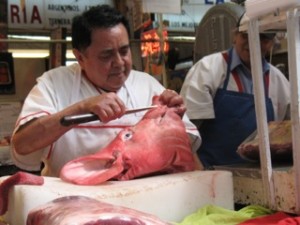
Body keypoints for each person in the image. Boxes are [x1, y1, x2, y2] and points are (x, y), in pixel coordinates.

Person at [11, 5, 201, 177]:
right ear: (80, 57)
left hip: (139, 198)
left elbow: (187, 154)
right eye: (106, 55)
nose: (119, 62)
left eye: (124, 51)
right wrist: (81, 108)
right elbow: (22, 144)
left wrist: (173, 120)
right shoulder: (54, 84)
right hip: (72, 201)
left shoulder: (147, 85)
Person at [180, 13, 290, 168]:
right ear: (235, 36)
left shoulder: (280, 82)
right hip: (212, 176)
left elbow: (288, 135)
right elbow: (186, 134)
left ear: (271, 43)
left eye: (263, 38)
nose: (254, 42)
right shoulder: (207, 70)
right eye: (247, 35)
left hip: (261, 180)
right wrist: (201, 176)